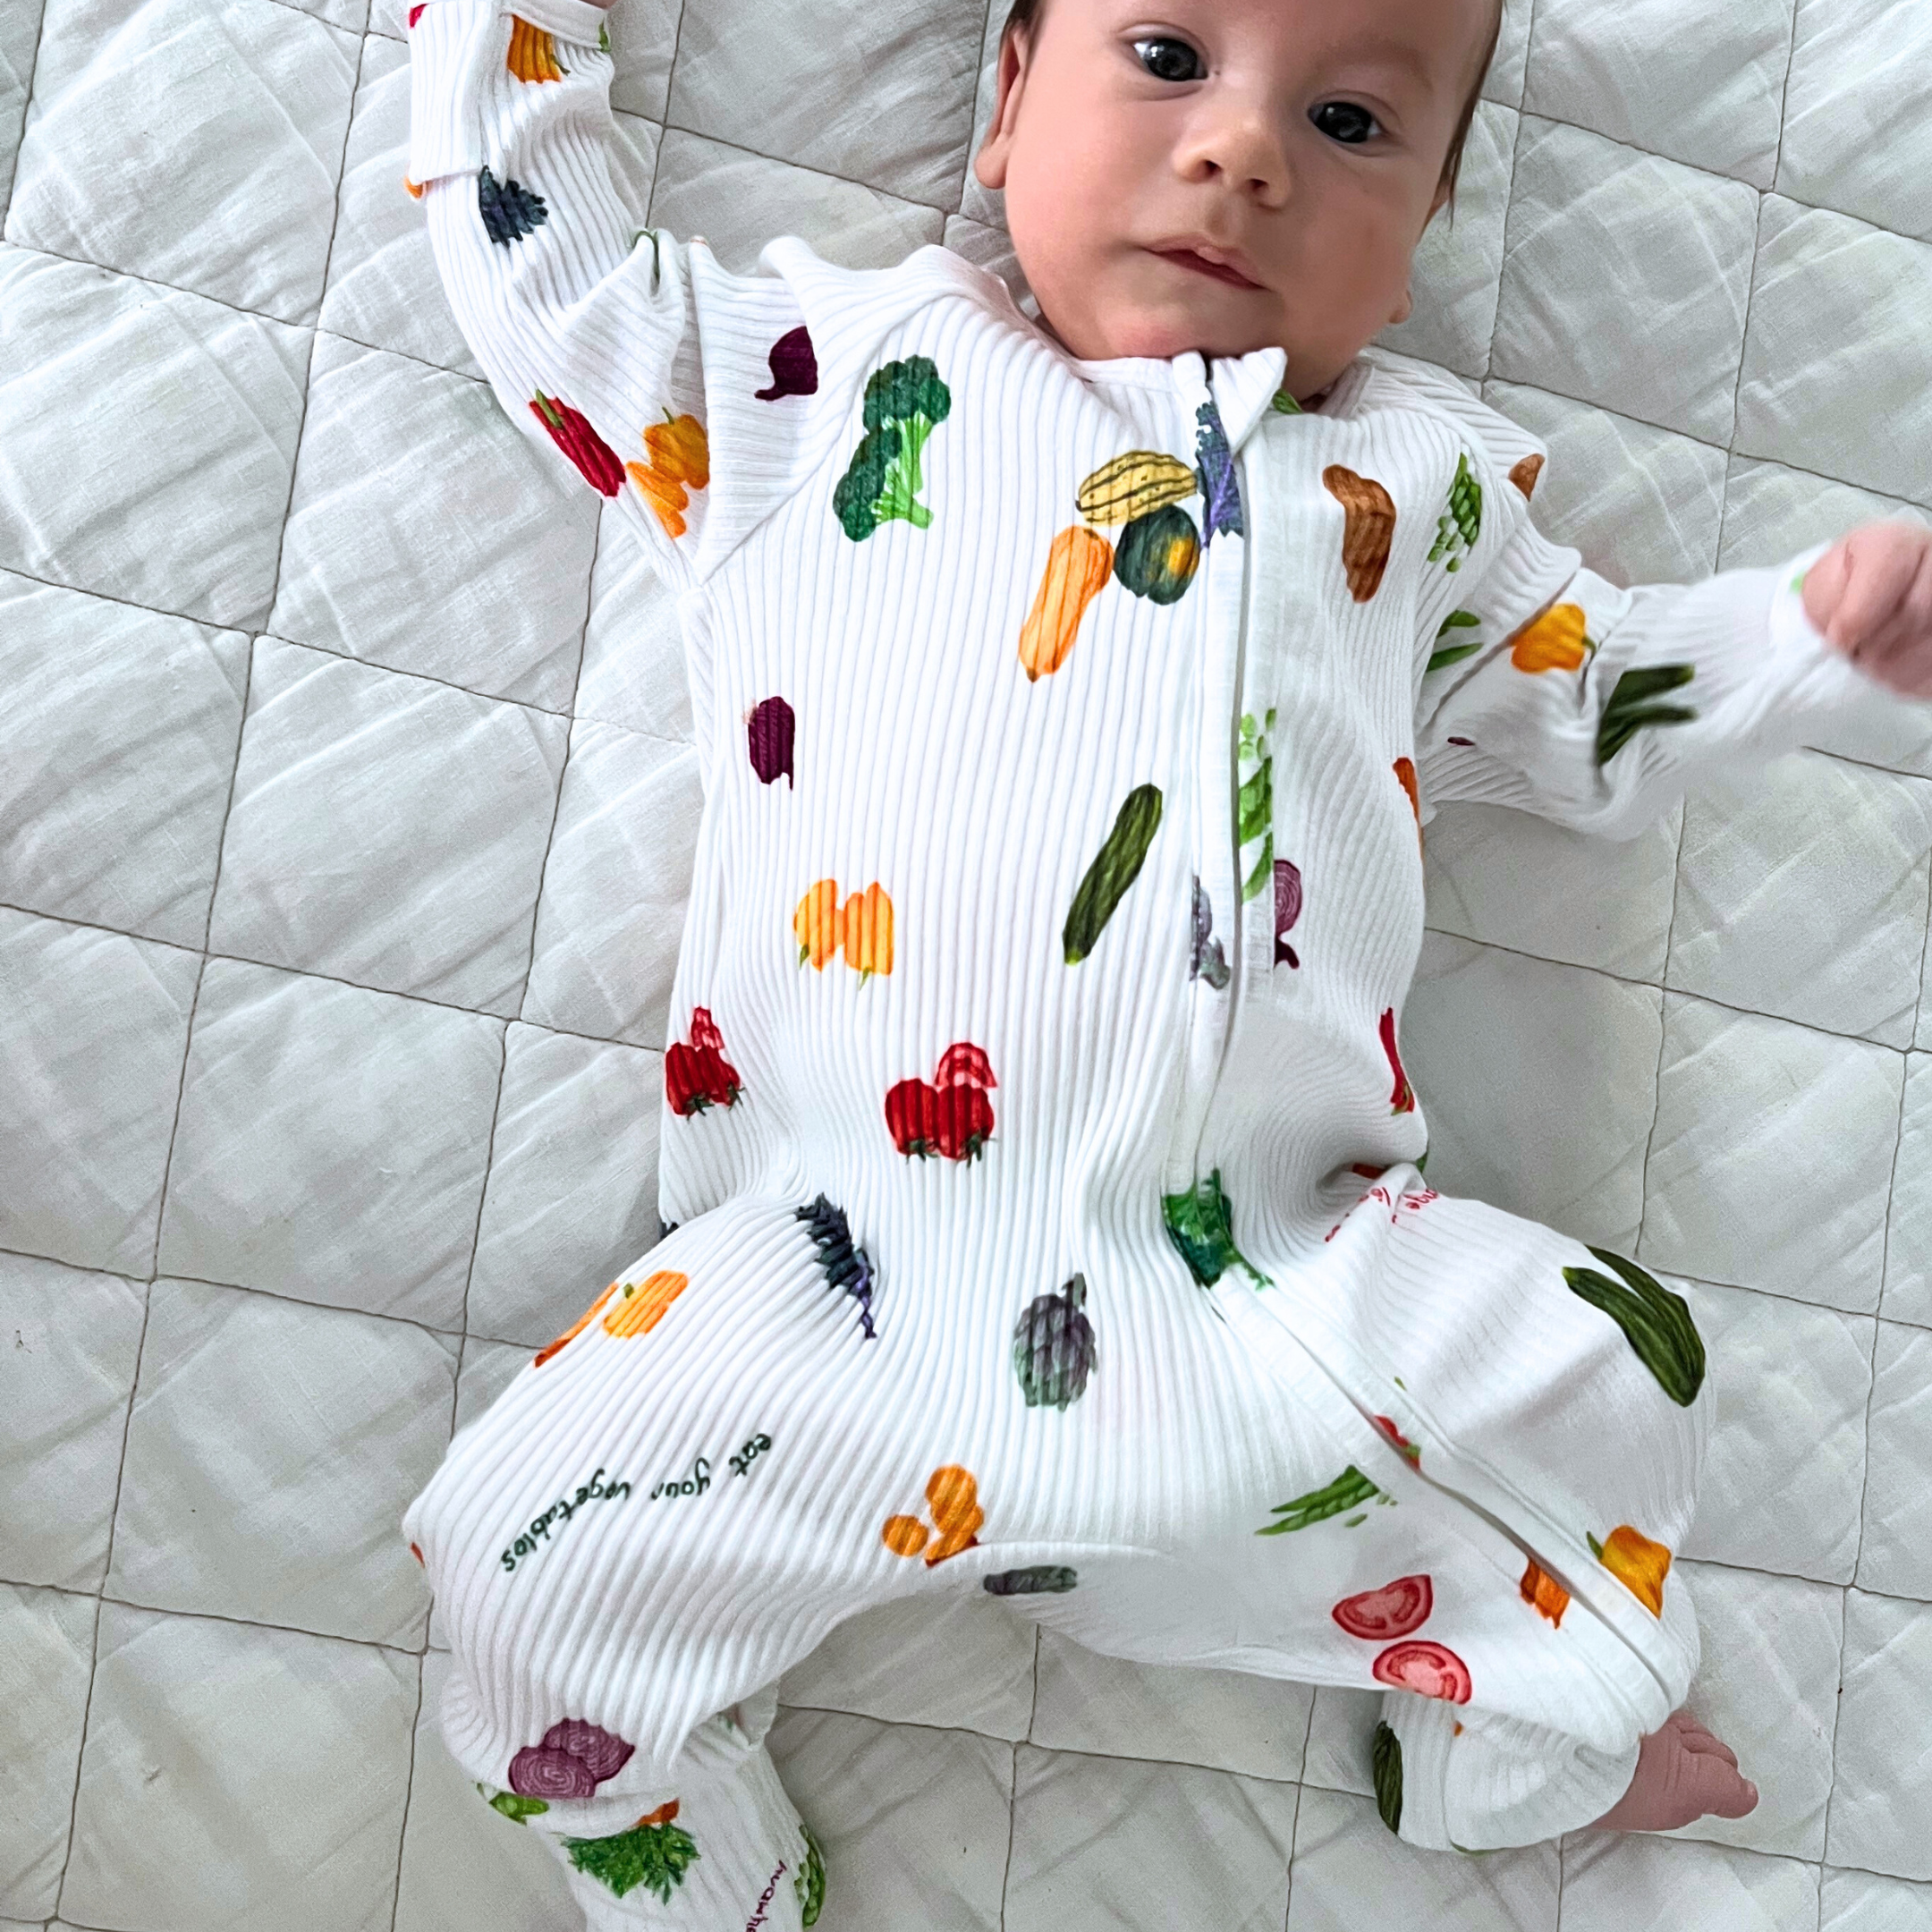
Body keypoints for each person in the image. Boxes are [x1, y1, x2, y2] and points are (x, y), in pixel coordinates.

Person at [397, 0, 1932, 1919]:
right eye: (1165, 59)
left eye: (1353, 122)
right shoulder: (827, 382)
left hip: (1274, 1298)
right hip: (829, 1283)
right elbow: (550, 279)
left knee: (1610, 1366)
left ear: (1425, 229)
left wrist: (1799, 645)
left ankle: (1515, 1752)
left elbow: (1592, 703)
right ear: (1006, 105)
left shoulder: (1421, 500)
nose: (1244, 149)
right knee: (515, 1566)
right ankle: (714, 1886)